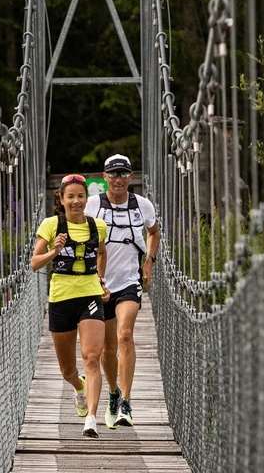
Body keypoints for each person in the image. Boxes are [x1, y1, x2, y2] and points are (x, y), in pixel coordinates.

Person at [31, 173, 110, 438]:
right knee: (68, 371)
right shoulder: (51, 224)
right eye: (71, 197)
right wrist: (54, 251)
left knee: (91, 357)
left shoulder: (98, 226)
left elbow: (101, 252)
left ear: (86, 198)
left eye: (81, 196)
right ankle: (78, 388)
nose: (76, 201)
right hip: (61, 298)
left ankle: (91, 418)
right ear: (61, 199)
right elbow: (34, 263)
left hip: (89, 295)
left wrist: (100, 279)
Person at [84, 154, 160, 429]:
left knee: (125, 334)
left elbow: (154, 233)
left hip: (129, 280)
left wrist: (149, 261)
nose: (118, 179)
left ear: (131, 176)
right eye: (113, 174)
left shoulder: (142, 205)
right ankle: (113, 393)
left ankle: (126, 402)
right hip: (99, 283)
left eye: (123, 174)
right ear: (104, 177)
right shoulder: (92, 205)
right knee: (106, 349)